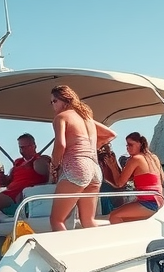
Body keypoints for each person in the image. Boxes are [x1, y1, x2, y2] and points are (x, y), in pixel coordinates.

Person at [48, 85, 116, 231]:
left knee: (56, 220)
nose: (53, 105)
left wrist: (54, 165)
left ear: (64, 100)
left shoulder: (61, 117)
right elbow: (111, 134)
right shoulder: (87, 119)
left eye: (54, 101)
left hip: (76, 167)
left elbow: (60, 144)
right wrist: (92, 147)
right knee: (88, 221)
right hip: (94, 169)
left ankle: (65, 253)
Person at [0, 133, 50, 225]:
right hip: (10, 194)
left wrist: (36, 161)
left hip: (24, 195)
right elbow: (7, 181)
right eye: (21, 147)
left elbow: (45, 172)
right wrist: (2, 178)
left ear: (34, 146)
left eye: (26, 147)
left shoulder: (41, 159)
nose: (23, 150)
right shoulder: (18, 162)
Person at [103, 132, 164, 224]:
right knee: (122, 218)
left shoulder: (136, 159)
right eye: (127, 145)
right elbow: (162, 178)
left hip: (149, 203)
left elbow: (119, 183)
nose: (127, 148)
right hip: (159, 201)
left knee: (114, 216)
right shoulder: (154, 157)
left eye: (130, 145)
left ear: (140, 144)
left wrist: (112, 167)